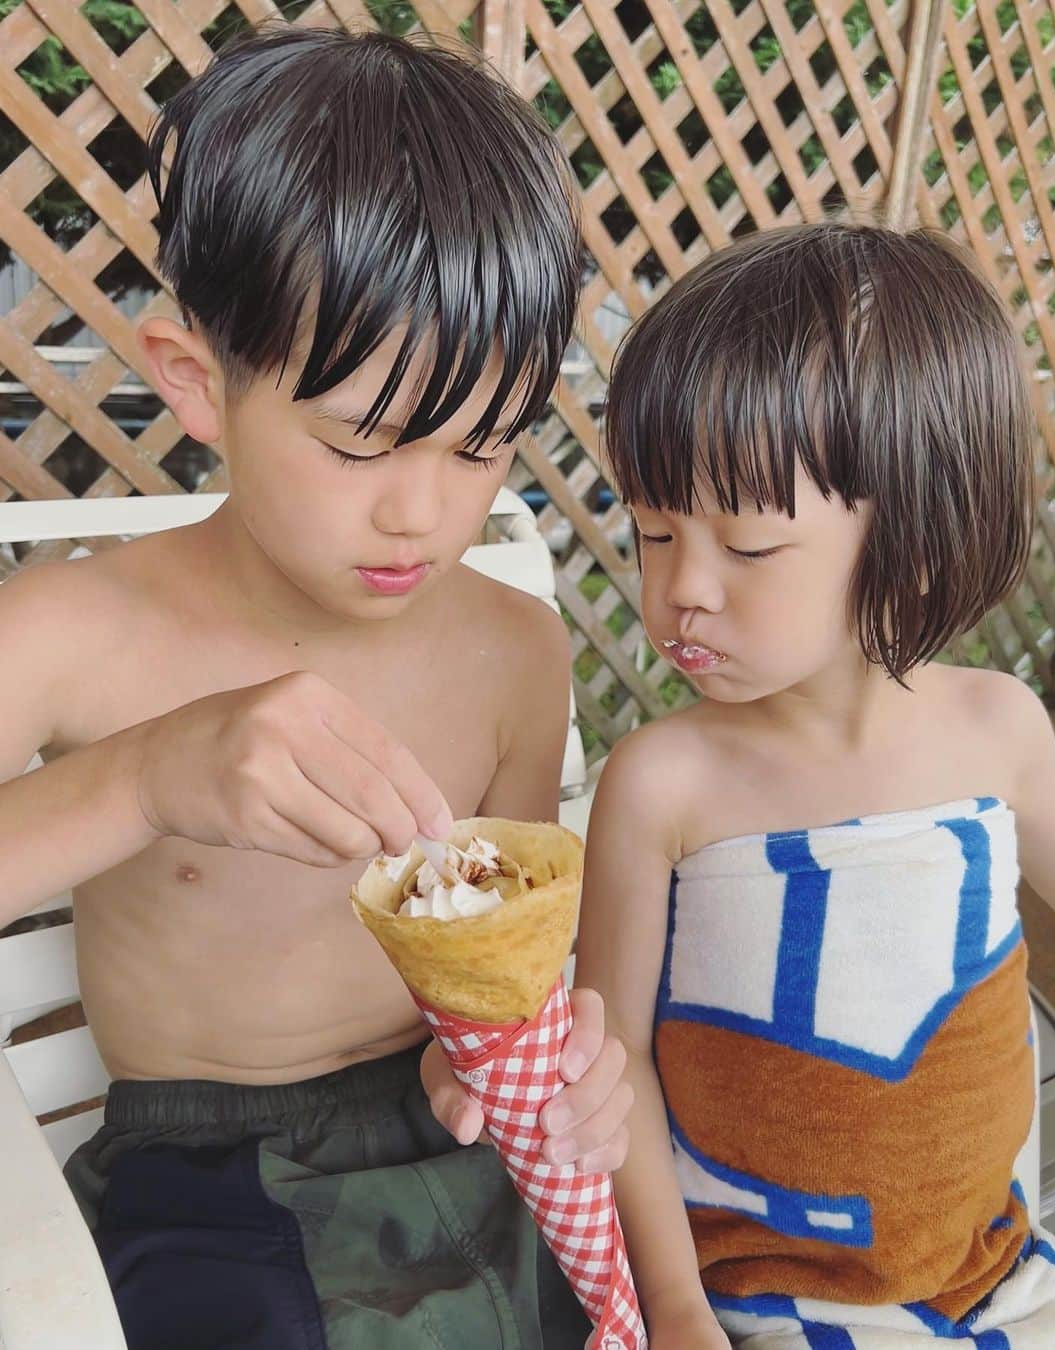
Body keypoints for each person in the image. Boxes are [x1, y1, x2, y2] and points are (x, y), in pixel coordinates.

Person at [0, 26, 631, 1350]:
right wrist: (143, 775)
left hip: (451, 1145)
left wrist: (538, 1070)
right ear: (197, 381)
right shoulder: (71, 631)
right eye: (360, 441)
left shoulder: (513, 648)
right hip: (208, 1173)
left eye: (482, 444)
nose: (422, 511)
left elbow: (494, 986)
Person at [576, 221, 1055, 1348]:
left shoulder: (996, 730)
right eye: (654, 533)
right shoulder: (664, 786)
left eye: (745, 548)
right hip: (764, 1298)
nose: (679, 591)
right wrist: (671, 1308)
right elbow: (612, 1072)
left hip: (996, 1273)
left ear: (912, 530)